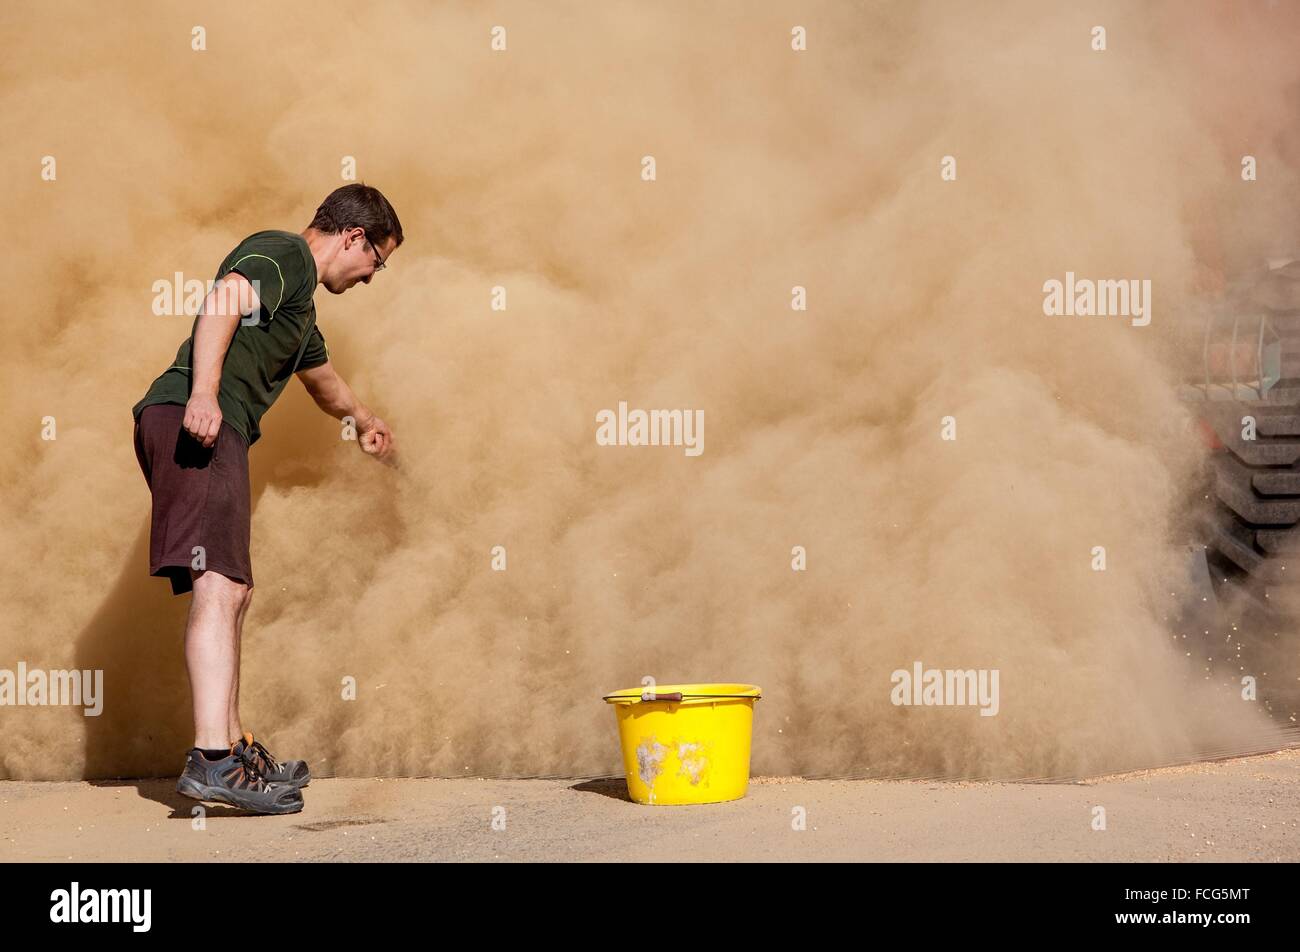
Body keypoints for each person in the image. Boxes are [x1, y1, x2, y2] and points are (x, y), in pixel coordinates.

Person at [131, 183, 403, 814]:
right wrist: (204, 393)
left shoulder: (299, 310)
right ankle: (213, 759)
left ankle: (233, 745)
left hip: (213, 427)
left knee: (235, 588)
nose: (372, 277)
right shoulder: (285, 254)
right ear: (353, 237)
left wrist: (365, 421)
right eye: (377, 262)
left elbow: (325, 384)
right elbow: (224, 298)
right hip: (196, 417)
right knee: (220, 587)